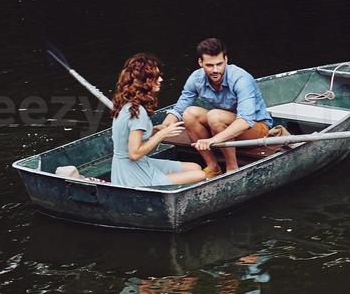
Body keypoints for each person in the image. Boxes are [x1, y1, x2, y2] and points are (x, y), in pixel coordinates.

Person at [159, 38, 284, 176]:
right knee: (189, 113)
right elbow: (178, 110)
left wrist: (213, 140)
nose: (215, 70)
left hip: (255, 129)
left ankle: (232, 167)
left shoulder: (241, 79)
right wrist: (163, 129)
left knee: (214, 116)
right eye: (209, 65)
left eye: (219, 64)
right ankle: (213, 167)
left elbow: (245, 121)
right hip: (221, 125)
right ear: (200, 63)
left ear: (226, 59)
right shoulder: (196, 78)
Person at [110, 54, 209, 187]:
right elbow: (134, 154)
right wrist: (162, 134)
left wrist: (156, 130)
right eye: (156, 77)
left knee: (194, 167)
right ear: (145, 81)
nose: (161, 79)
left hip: (125, 167)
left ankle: (166, 181)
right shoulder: (138, 112)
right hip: (132, 174)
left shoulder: (125, 104)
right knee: (201, 175)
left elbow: (129, 136)